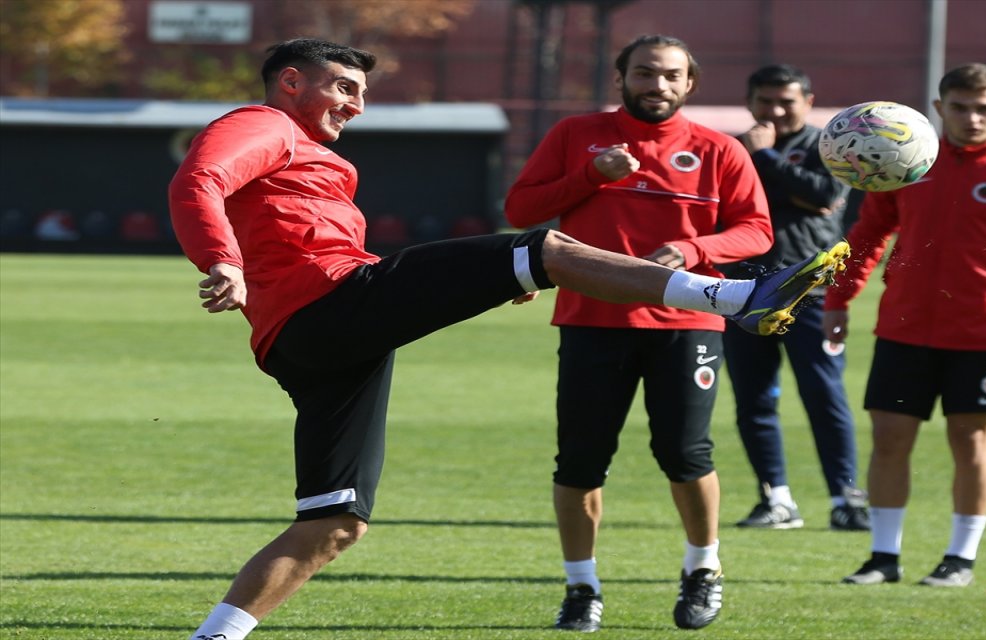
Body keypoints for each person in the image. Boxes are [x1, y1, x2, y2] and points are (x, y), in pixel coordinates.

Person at [171, 37, 849, 640]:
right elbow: (199, 179)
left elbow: (315, 245)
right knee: (547, 247)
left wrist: (490, 280)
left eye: (362, 93)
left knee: (336, 522)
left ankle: (216, 636)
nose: (356, 106)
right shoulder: (261, 123)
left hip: (323, 334)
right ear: (291, 81)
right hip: (325, 307)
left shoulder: (313, 154)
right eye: (344, 87)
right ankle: (736, 295)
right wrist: (220, 261)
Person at [505, 34, 776, 632]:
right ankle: (581, 588)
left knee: (685, 453)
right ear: (622, 78)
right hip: (591, 320)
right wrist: (587, 177)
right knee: (579, 463)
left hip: (687, 322)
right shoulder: (576, 135)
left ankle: (703, 569)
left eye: (671, 76)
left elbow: (755, 230)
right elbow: (520, 210)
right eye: (645, 73)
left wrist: (693, 247)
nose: (658, 85)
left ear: (689, 84)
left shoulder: (720, 149)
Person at [823, 63, 986, 587]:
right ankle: (883, 557)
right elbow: (868, 235)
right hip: (904, 328)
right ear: (938, 109)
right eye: (959, 107)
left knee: (972, 442)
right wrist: (838, 300)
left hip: (985, 336)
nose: (971, 118)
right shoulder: (906, 162)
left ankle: (960, 558)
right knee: (889, 439)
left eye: (984, 108)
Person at [723, 64, 869, 532]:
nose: (776, 110)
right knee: (754, 398)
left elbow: (824, 195)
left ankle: (846, 499)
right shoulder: (729, 151)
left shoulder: (830, 145)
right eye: (766, 101)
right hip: (743, 288)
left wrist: (765, 159)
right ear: (750, 103)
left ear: (808, 101)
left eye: (787, 100)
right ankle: (776, 499)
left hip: (812, 289)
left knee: (824, 394)